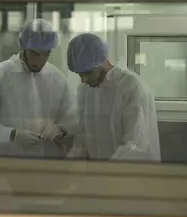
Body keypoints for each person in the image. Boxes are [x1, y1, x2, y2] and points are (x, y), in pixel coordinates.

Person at [0, 18, 76, 158]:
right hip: (9, 164)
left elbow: (73, 118)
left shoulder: (57, 79)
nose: (39, 61)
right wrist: (12, 134)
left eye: (45, 54)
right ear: (24, 47)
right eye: (35, 53)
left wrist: (61, 130)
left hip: (49, 164)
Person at [66, 33, 161, 162]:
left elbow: (137, 146)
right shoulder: (85, 89)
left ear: (103, 61)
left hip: (130, 176)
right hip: (100, 175)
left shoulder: (131, 87)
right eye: (79, 74)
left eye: (87, 72)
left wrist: (106, 173)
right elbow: (84, 136)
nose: (83, 79)